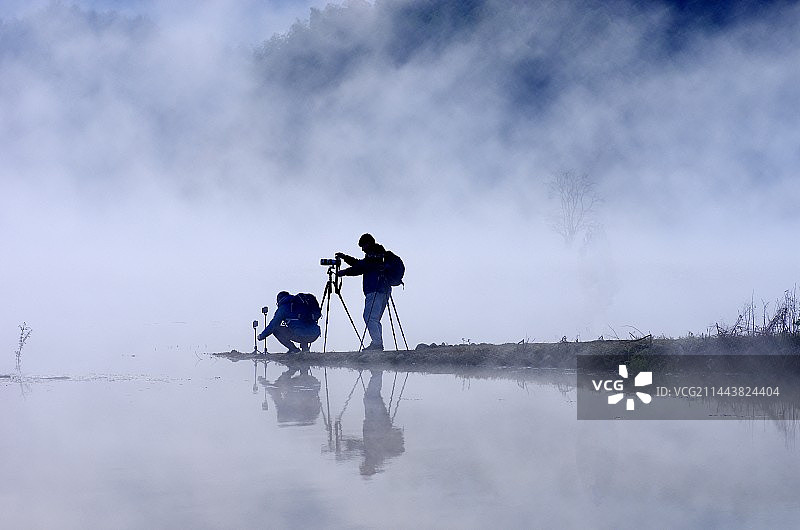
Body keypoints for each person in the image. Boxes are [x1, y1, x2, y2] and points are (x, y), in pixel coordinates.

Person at [336, 233, 390, 351]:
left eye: (363, 246)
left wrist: (343, 272)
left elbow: (360, 268)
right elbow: (360, 264)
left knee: (369, 317)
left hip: (375, 289)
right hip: (383, 290)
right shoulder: (379, 254)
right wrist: (345, 257)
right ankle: (377, 343)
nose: (362, 249)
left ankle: (377, 344)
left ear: (368, 243)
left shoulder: (374, 256)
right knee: (374, 318)